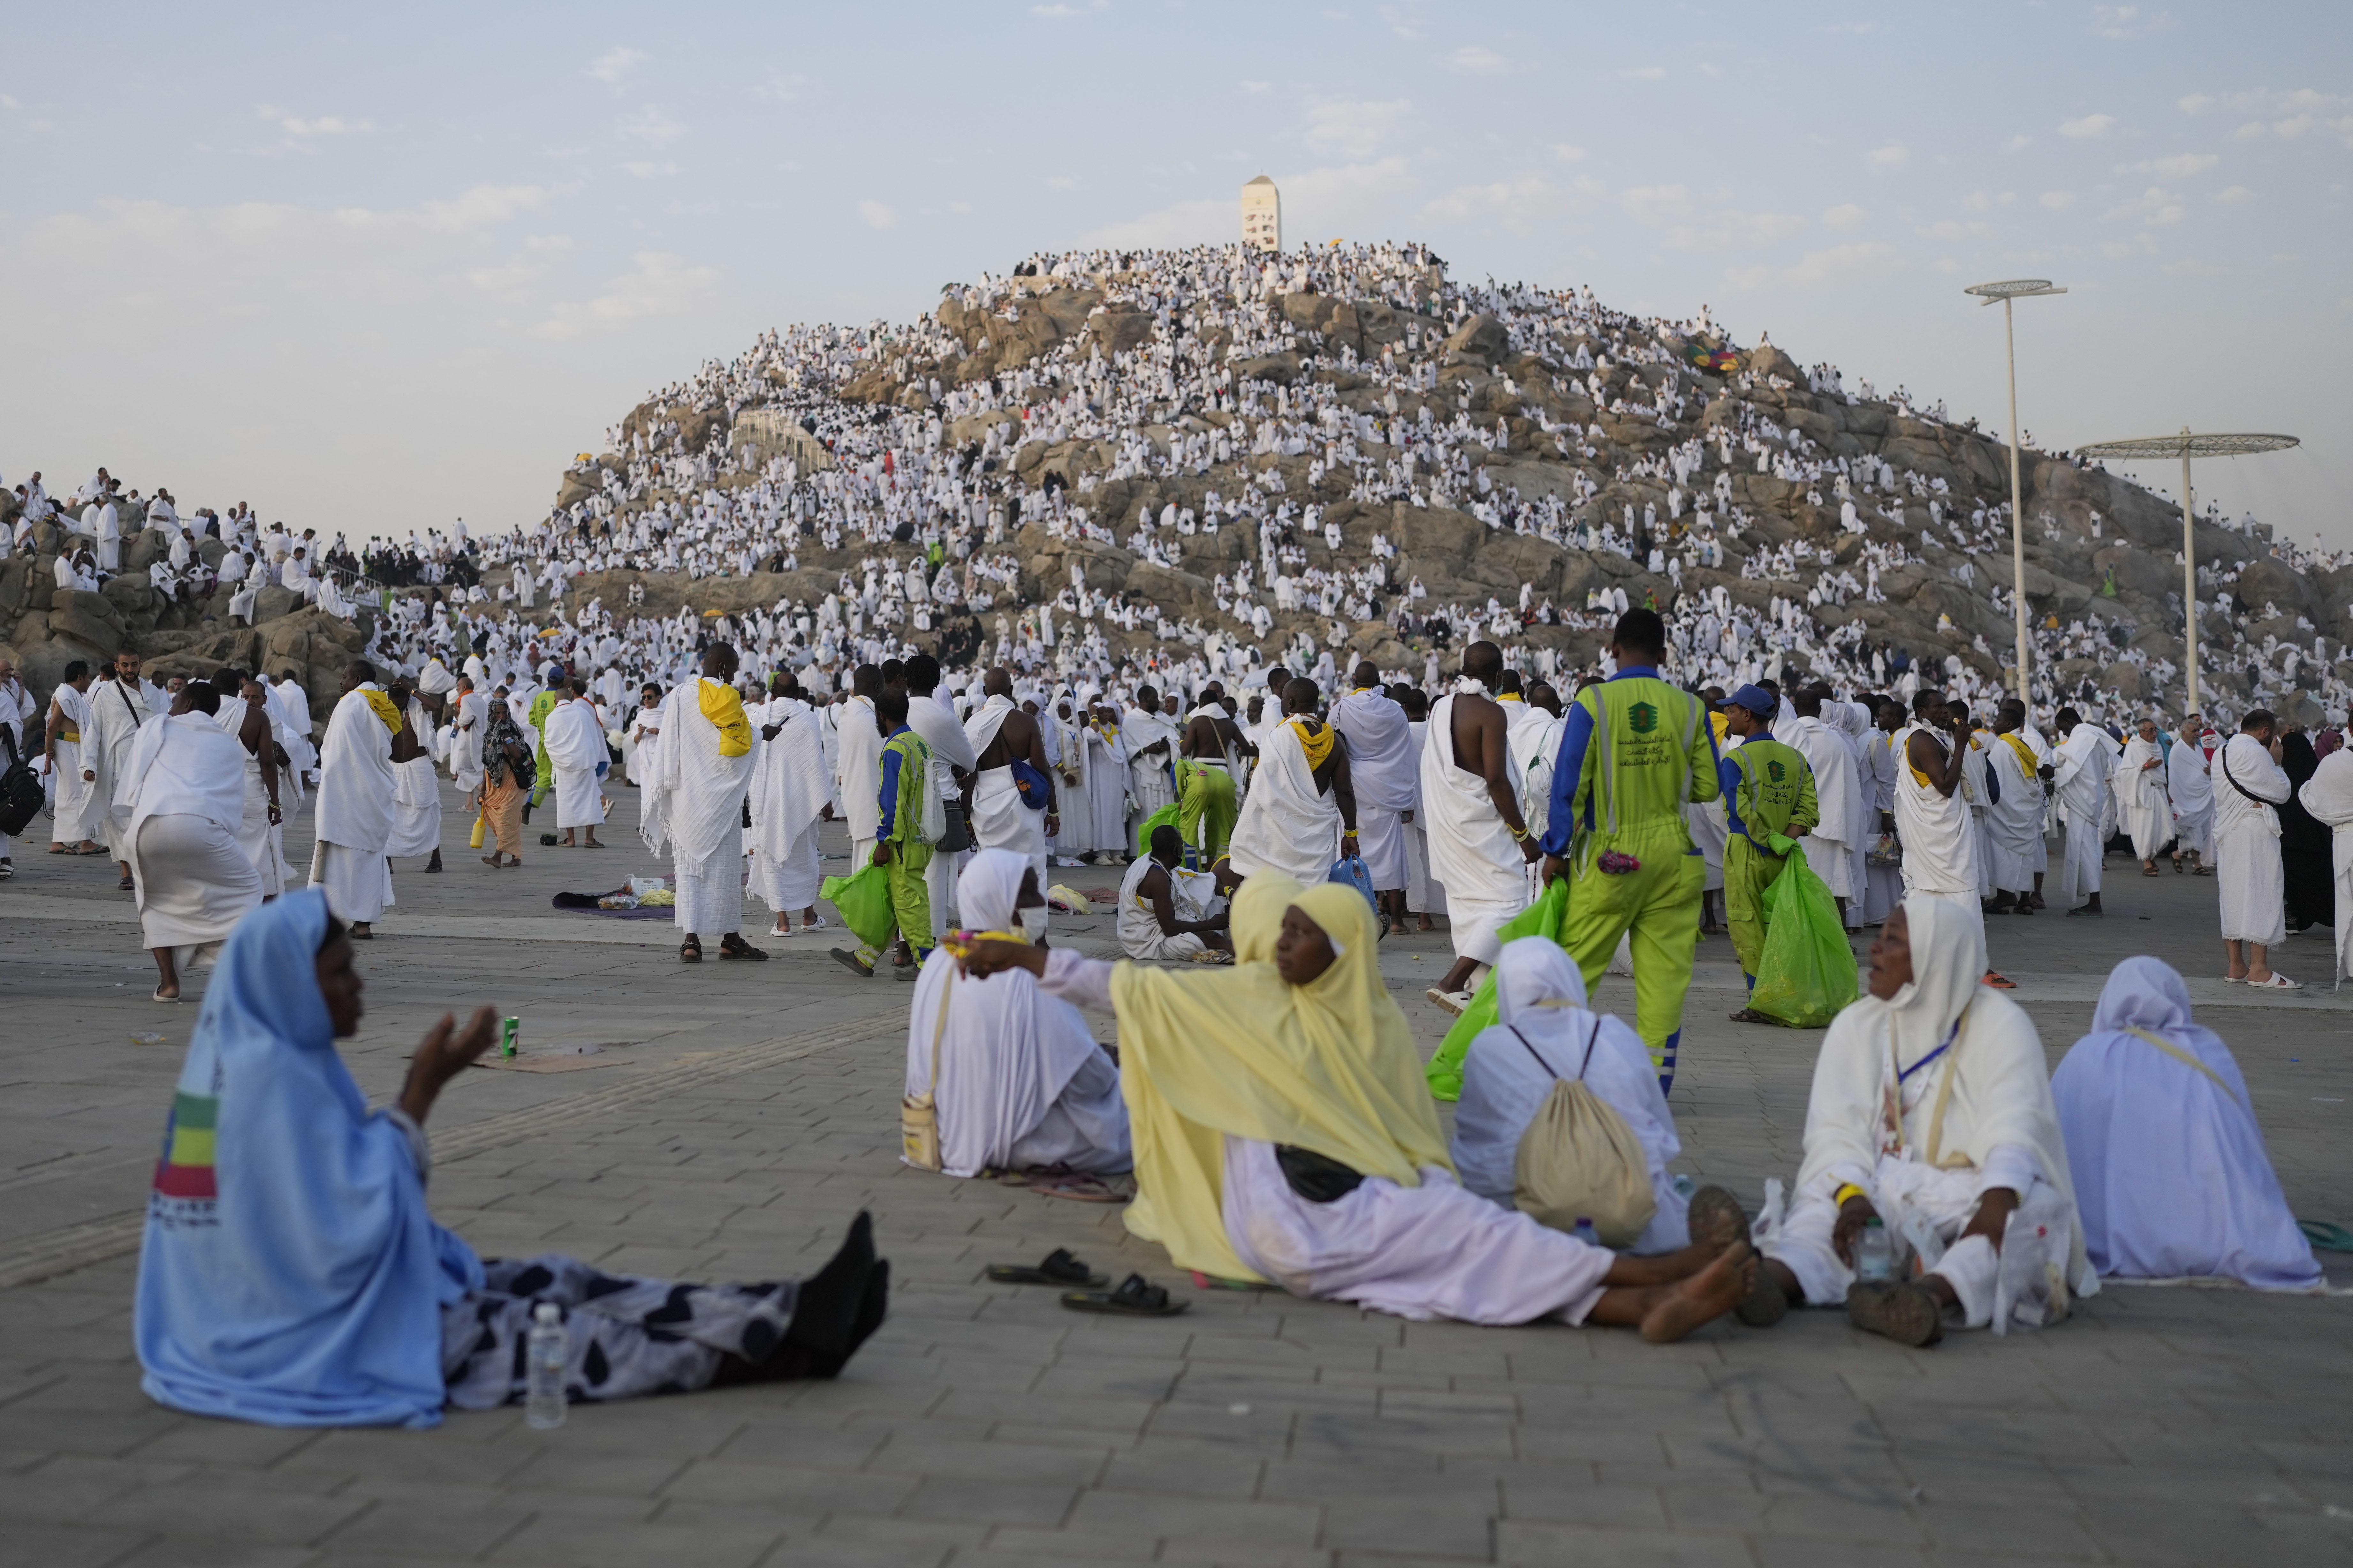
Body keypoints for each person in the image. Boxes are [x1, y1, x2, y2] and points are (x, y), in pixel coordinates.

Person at [134, 891, 887, 1428]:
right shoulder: (270, 1083)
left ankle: (791, 1305)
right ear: (291, 986)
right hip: (300, 1336)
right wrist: (420, 1091)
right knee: (574, 1340)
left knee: (557, 1278)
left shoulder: (241, 1063)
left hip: (272, 1308)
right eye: (339, 973)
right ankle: (788, 1348)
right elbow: (348, 1223)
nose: (358, 984)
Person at [956, 876, 1759, 1341]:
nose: (1283, 945)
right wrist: (1022, 956)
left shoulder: (1365, 1018)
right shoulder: (1247, 997)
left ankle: (1636, 1305)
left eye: (1302, 935)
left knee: (1460, 1257)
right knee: (1467, 1233)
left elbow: (1399, 1136)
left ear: (1341, 950)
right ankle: (1656, 1269)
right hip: (1286, 1213)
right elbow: (1125, 987)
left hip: (1335, 1198)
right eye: (1284, 930)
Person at [1752, 898, 2093, 1346]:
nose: (1874, 950)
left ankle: (1927, 1299)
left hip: (1970, 1187)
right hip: (1876, 1181)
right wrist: (1853, 1198)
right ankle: (1772, 1281)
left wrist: (1997, 1201)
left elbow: (2017, 1121)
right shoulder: (1858, 1024)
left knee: (2027, 1215)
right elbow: (1834, 1130)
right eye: (1879, 938)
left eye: (1892, 941)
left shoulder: (2001, 1023)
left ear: (1937, 958)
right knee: (1820, 1208)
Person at [2051, 958, 2321, 1291]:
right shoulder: (2204, 1049)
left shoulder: (2087, 1054)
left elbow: (2052, 1143)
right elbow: (2241, 1149)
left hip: (2098, 1233)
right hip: (2207, 1233)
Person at [1539, 611, 1720, 1086]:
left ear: (1613, 649)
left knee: (1574, 971)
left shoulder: (1593, 702)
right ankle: (1650, 1091)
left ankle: (1554, 1076)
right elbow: (1708, 786)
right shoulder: (1690, 708)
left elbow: (1569, 784)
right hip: (1674, 859)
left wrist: (1555, 850)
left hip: (1611, 858)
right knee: (1664, 984)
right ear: (1664, 655)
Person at [1451, 938, 1719, 1258]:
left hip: (1522, 1218)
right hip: (1627, 1210)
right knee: (1671, 1195)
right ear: (1569, 979)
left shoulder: (1491, 1047)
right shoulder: (1615, 1034)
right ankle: (1692, 1256)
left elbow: (1475, 1149)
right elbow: (1661, 1137)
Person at [905, 850, 1130, 1179]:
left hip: (945, 1135)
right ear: (1004, 904)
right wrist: (1114, 1064)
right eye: (1028, 892)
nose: (1040, 900)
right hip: (1017, 1142)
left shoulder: (941, 961)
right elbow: (1089, 1082)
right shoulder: (1026, 975)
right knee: (1148, 1107)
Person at [124, 682, 264, 1002]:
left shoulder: (155, 729)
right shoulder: (226, 744)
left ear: (187, 704)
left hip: (146, 826)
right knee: (249, 890)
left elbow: (134, 780)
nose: (169, 708)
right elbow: (231, 801)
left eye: (174, 702)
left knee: (155, 902)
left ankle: (170, 984)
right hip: (199, 825)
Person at [1421, 643, 1538, 1009]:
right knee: (1510, 905)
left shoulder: (1441, 707)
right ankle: (1452, 980)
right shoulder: (1492, 714)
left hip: (1453, 826)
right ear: (1499, 676)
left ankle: (1475, 995)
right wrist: (1524, 835)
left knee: (1469, 908)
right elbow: (1496, 780)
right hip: (1487, 830)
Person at [640, 644, 765, 962]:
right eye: (734, 668)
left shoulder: (680, 695)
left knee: (689, 871)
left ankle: (691, 942)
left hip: (687, 798)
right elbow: (737, 748)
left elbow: (670, 744)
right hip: (720, 801)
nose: (735, 675)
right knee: (724, 871)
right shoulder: (728, 697)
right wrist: (764, 734)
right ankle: (730, 939)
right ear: (723, 666)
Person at [1715, 684, 1820, 1021]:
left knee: (1748, 926)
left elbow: (1739, 809)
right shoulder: (1796, 758)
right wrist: (1783, 841)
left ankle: (1760, 1001)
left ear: (1747, 715)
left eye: (1731, 711)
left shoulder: (1736, 759)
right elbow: (1808, 808)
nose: (1727, 717)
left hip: (1746, 851)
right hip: (1784, 855)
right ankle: (1785, 993)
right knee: (1780, 927)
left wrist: (1766, 840)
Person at [1890, 690, 2007, 986]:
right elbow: (1944, 786)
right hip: (1939, 837)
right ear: (1921, 711)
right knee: (1961, 891)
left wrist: (1958, 744)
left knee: (1936, 897)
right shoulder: (1922, 741)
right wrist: (1959, 745)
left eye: (1945, 706)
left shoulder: (1931, 738)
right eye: (1938, 707)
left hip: (1939, 834)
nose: (1944, 712)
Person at [311, 661, 417, 939]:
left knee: (337, 858)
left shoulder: (349, 705)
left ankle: (328, 921)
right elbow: (398, 753)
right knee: (370, 857)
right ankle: (363, 925)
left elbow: (333, 754)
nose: (341, 683)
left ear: (356, 679)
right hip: (375, 796)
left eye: (344, 678)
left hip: (345, 796)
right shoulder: (386, 706)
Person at [839, 690, 934, 980]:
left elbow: (891, 800)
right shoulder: (919, 743)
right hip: (920, 836)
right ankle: (865, 957)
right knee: (896, 897)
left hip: (902, 840)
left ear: (881, 716)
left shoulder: (895, 749)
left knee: (908, 901)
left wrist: (884, 841)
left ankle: (928, 964)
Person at [1228, 678, 1355, 885]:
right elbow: (1345, 792)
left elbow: (1261, 792)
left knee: (1278, 889)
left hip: (1278, 835)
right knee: (1312, 896)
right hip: (1318, 835)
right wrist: (1351, 833)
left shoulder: (1277, 738)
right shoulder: (1335, 741)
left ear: (1289, 704)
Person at [1330, 665, 1416, 934]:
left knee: (1350, 853)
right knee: (1390, 856)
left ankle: (1351, 915)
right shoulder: (1394, 711)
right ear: (1379, 681)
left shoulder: (1341, 709)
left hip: (1351, 789)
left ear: (1354, 680)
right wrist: (1407, 798)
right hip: (1387, 791)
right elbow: (1405, 754)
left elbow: (1331, 745)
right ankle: (1398, 922)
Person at [2212, 710, 2294, 988]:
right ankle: (2259, 969)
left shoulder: (2221, 751)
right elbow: (2281, 792)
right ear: (2264, 732)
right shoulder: (2257, 753)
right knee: (2261, 891)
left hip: (2227, 831)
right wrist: (2277, 763)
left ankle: (2236, 966)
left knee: (2232, 894)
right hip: (2254, 829)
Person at [748, 676, 831, 937]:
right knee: (805, 855)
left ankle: (783, 923)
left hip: (765, 798)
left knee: (772, 857)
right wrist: (825, 801)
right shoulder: (808, 718)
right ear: (798, 693)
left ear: (772, 692)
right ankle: (808, 917)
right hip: (800, 799)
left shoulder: (757, 714)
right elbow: (816, 763)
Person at [963, 667, 1056, 887]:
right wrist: (1053, 811)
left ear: (986, 691)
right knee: (1030, 871)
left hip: (986, 812)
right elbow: (1043, 769)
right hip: (1024, 807)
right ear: (1011, 690)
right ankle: (1030, 920)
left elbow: (969, 776)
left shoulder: (973, 725)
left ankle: (996, 919)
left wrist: (966, 818)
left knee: (993, 873)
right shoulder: (1026, 722)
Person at [1781, 685, 1859, 923]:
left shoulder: (1786, 738)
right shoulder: (1837, 742)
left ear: (1795, 708)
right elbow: (1851, 790)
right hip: (1830, 826)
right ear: (1819, 709)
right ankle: (1840, 941)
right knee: (1834, 886)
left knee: (1795, 887)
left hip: (1794, 826)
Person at [1117, 823, 1233, 960]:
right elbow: (1170, 929)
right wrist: (1212, 924)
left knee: (1211, 901)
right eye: (1182, 846)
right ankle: (1246, 953)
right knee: (1208, 939)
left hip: (1161, 928)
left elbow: (1196, 880)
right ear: (1175, 850)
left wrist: (1229, 892)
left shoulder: (1156, 864)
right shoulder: (1157, 878)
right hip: (1146, 942)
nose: (1182, 850)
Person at [1980, 700, 2043, 915]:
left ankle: (2004, 897)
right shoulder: (2021, 743)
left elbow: (1996, 779)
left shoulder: (2004, 745)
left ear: (2008, 723)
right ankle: (2024, 901)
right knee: (2025, 857)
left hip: (2007, 810)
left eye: (1997, 720)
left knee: (2001, 851)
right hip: (2024, 809)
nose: (1994, 723)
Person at [2051, 706, 2114, 915]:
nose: (2064, 734)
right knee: (2084, 850)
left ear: (2070, 722)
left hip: (2084, 802)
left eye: (2063, 729)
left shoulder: (2084, 737)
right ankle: (2092, 900)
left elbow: (2071, 767)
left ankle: (2095, 903)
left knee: (2088, 852)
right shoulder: (2090, 736)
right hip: (2085, 800)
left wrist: (2051, 771)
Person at [2301, 743, 2353, 984]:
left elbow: (2313, 800)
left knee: (2348, 903)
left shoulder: (2332, 764)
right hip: (2344, 838)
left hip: (2345, 839)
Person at [1175, 691, 1245, 864]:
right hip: (1223, 775)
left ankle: (1194, 869)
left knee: (1191, 826)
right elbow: (1245, 748)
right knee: (1222, 826)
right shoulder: (1229, 723)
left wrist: (1182, 739)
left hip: (1201, 773)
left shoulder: (1197, 721)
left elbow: (1185, 751)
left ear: (1203, 702)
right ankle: (1221, 867)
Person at [2276, 730, 2333, 934]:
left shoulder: (2282, 778)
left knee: (2293, 884)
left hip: (2291, 844)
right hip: (2319, 844)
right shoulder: (2316, 776)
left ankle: (2296, 918)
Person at [385, 682, 444, 873]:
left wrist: (412, 689)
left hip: (418, 766)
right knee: (390, 813)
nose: (398, 706)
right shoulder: (384, 708)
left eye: (401, 702)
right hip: (394, 768)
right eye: (394, 703)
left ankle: (436, 857)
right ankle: (387, 860)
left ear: (407, 697)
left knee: (428, 811)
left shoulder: (417, 705)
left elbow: (436, 706)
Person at [543, 681, 609, 849]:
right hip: (585, 762)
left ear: (555, 702)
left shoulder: (552, 718)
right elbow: (595, 739)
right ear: (572, 698)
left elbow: (548, 743)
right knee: (591, 799)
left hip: (563, 766)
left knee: (566, 801)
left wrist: (559, 760)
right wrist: (592, 759)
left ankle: (570, 839)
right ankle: (589, 838)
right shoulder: (584, 713)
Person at [477, 700, 533, 869]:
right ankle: (516, 857)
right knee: (508, 822)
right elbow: (487, 766)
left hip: (513, 784)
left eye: (504, 713)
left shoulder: (514, 730)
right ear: (491, 715)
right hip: (495, 786)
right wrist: (483, 790)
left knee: (506, 821)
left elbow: (518, 754)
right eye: (497, 714)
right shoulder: (488, 734)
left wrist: (506, 737)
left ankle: (497, 857)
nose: (501, 717)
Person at [2117, 717, 2172, 878]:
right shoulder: (2133, 747)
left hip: (2159, 791)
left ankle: (2151, 856)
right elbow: (2125, 772)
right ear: (2141, 732)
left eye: (2156, 730)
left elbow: (2162, 774)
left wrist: (2167, 794)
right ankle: (2146, 860)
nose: (2155, 734)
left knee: (2161, 826)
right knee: (2144, 827)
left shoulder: (2158, 747)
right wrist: (2144, 767)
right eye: (2151, 731)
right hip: (2141, 793)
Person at [2168, 713, 2215, 875]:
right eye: (2194, 731)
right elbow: (2178, 778)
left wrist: (2210, 771)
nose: (2197, 734)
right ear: (2183, 732)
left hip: (2201, 797)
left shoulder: (2199, 749)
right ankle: (2197, 865)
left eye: (2198, 730)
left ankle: (2178, 854)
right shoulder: (2177, 750)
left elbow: (2202, 770)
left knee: (2199, 830)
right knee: (2193, 828)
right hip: (2185, 798)